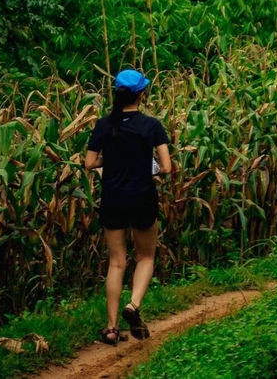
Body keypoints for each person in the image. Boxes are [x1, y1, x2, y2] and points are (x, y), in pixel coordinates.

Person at [85, 68, 172, 346]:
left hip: (113, 198)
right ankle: (133, 306)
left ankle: (111, 328)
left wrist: (110, 163)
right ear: (141, 94)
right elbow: (166, 167)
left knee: (116, 262)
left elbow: (89, 163)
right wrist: (145, 166)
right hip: (142, 197)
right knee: (145, 257)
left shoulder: (103, 125)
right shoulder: (151, 126)